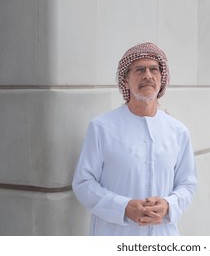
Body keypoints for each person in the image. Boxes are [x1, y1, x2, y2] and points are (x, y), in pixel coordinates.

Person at [72, 42, 197, 236]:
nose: (148, 75)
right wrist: (123, 207)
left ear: (161, 78)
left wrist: (168, 205)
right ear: (126, 79)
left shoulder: (178, 131)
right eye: (139, 69)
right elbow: (83, 183)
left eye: (154, 69)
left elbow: (187, 184)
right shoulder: (101, 127)